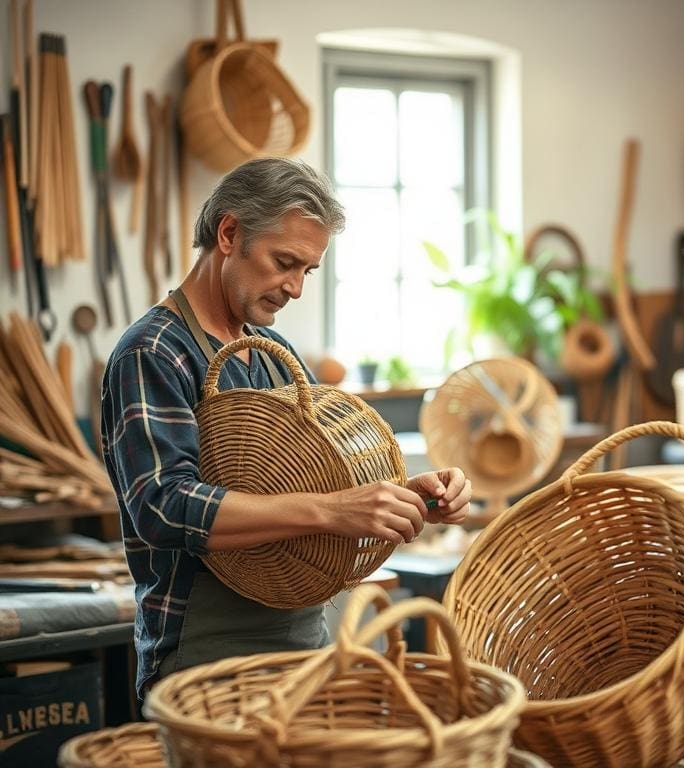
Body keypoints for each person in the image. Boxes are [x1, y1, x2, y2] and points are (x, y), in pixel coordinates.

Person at [101, 158, 472, 697]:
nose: (295, 287)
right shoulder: (154, 352)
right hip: (204, 658)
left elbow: (321, 487)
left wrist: (401, 497)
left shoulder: (276, 358)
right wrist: (333, 509)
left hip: (303, 646)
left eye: (308, 271)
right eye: (284, 262)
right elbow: (163, 506)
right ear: (229, 233)